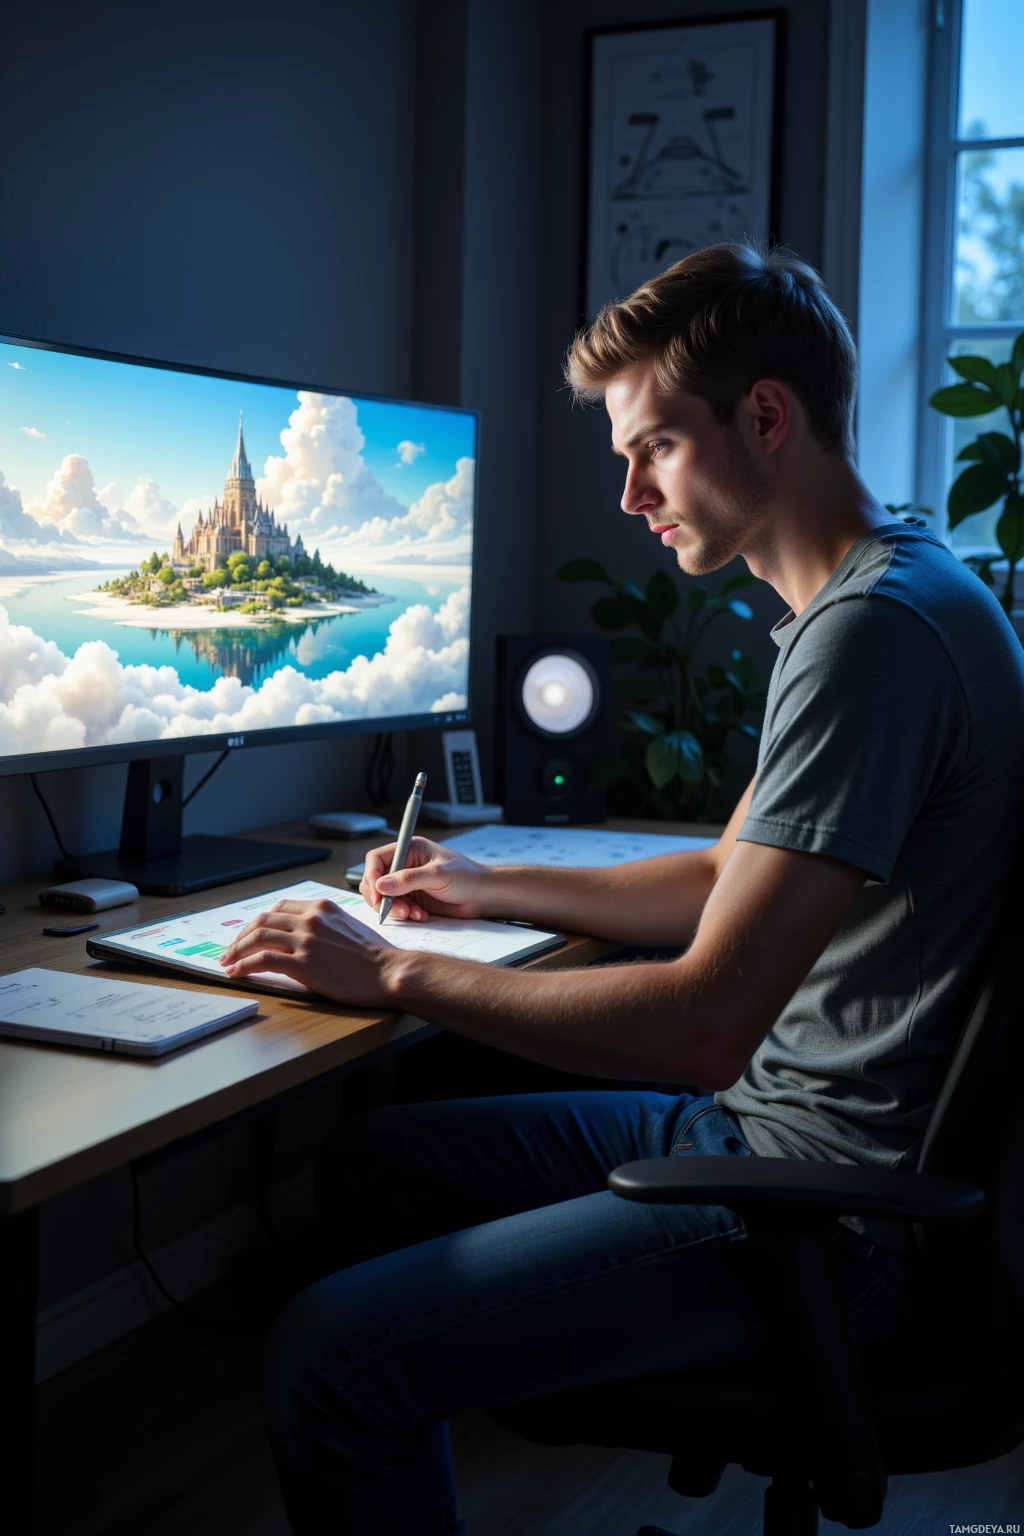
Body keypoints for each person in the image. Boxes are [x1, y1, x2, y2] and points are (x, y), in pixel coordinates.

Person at [218, 242, 1024, 1535]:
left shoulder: (875, 638)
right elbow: (724, 875)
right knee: (373, 1169)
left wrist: (398, 974)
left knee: (332, 1358)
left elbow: (705, 1025)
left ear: (767, 416)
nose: (628, 492)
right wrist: (491, 885)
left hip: (826, 1215)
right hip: (770, 1138)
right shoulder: (893, 586)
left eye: (650, 447)